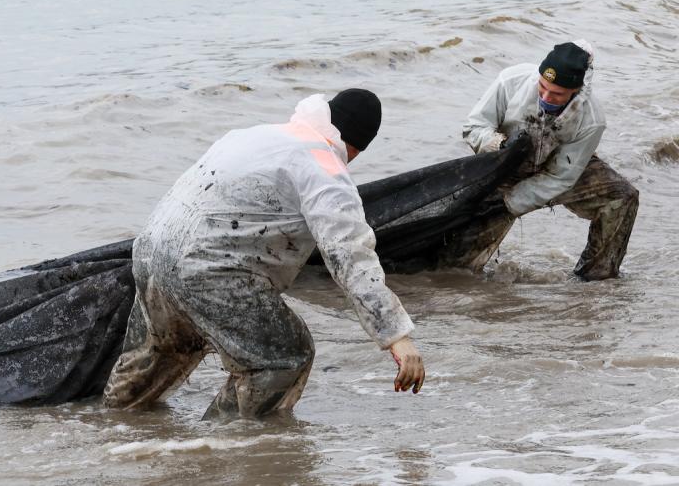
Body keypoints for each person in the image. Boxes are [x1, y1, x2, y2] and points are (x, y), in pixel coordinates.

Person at [102, 89, 425, 418]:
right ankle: (220, 443)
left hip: (150, 250)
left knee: (157, 354)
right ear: (357, 146)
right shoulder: (324, 168)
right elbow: (349, 256)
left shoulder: (255, 135)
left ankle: (111, 430)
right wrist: (396, 337)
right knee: (284, 355)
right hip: (208, 269)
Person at [440, 40, 638, 281]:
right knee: (456, 267)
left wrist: (511, 203)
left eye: (557, 94)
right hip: (501, 170)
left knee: (623, 196)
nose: (545, 96)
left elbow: (561, 176)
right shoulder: (509, 81)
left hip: (558, 169)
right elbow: (473, 127)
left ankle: (595, 277)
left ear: (575, 92)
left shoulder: (592, 120)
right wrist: (499, 144)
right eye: (542, 87)